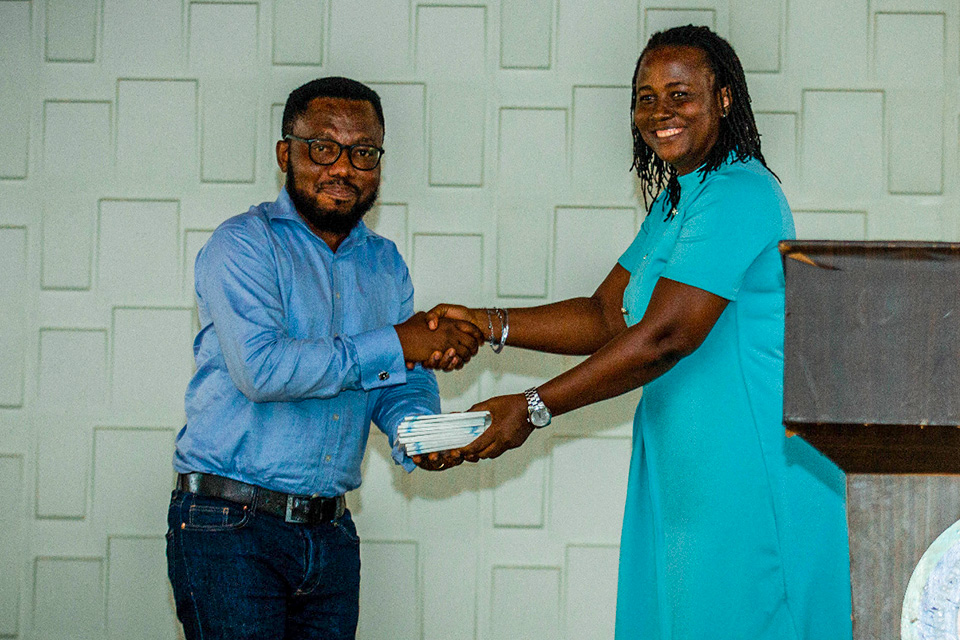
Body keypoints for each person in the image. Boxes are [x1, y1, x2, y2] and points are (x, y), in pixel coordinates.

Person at [420, 25, 852, 640]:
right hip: (687, 464)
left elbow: (665, 337)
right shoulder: (679, 202)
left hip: (747, 466)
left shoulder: (740, 193)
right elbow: (605, 314)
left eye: (680, 94)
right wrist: (490, 323)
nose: (659, 112)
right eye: (646, 97)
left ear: (724, 99)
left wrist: (533, 407)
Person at [165, 76, 484, 640]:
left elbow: (398, 379)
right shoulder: (242, 245)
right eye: (324, 147)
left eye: (363, 152)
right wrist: (397, 342)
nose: (343, 168)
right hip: (229, 527)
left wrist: (420, 433)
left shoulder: (384, 263)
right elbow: (263, 371)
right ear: (286, 153)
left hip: (331, 533)